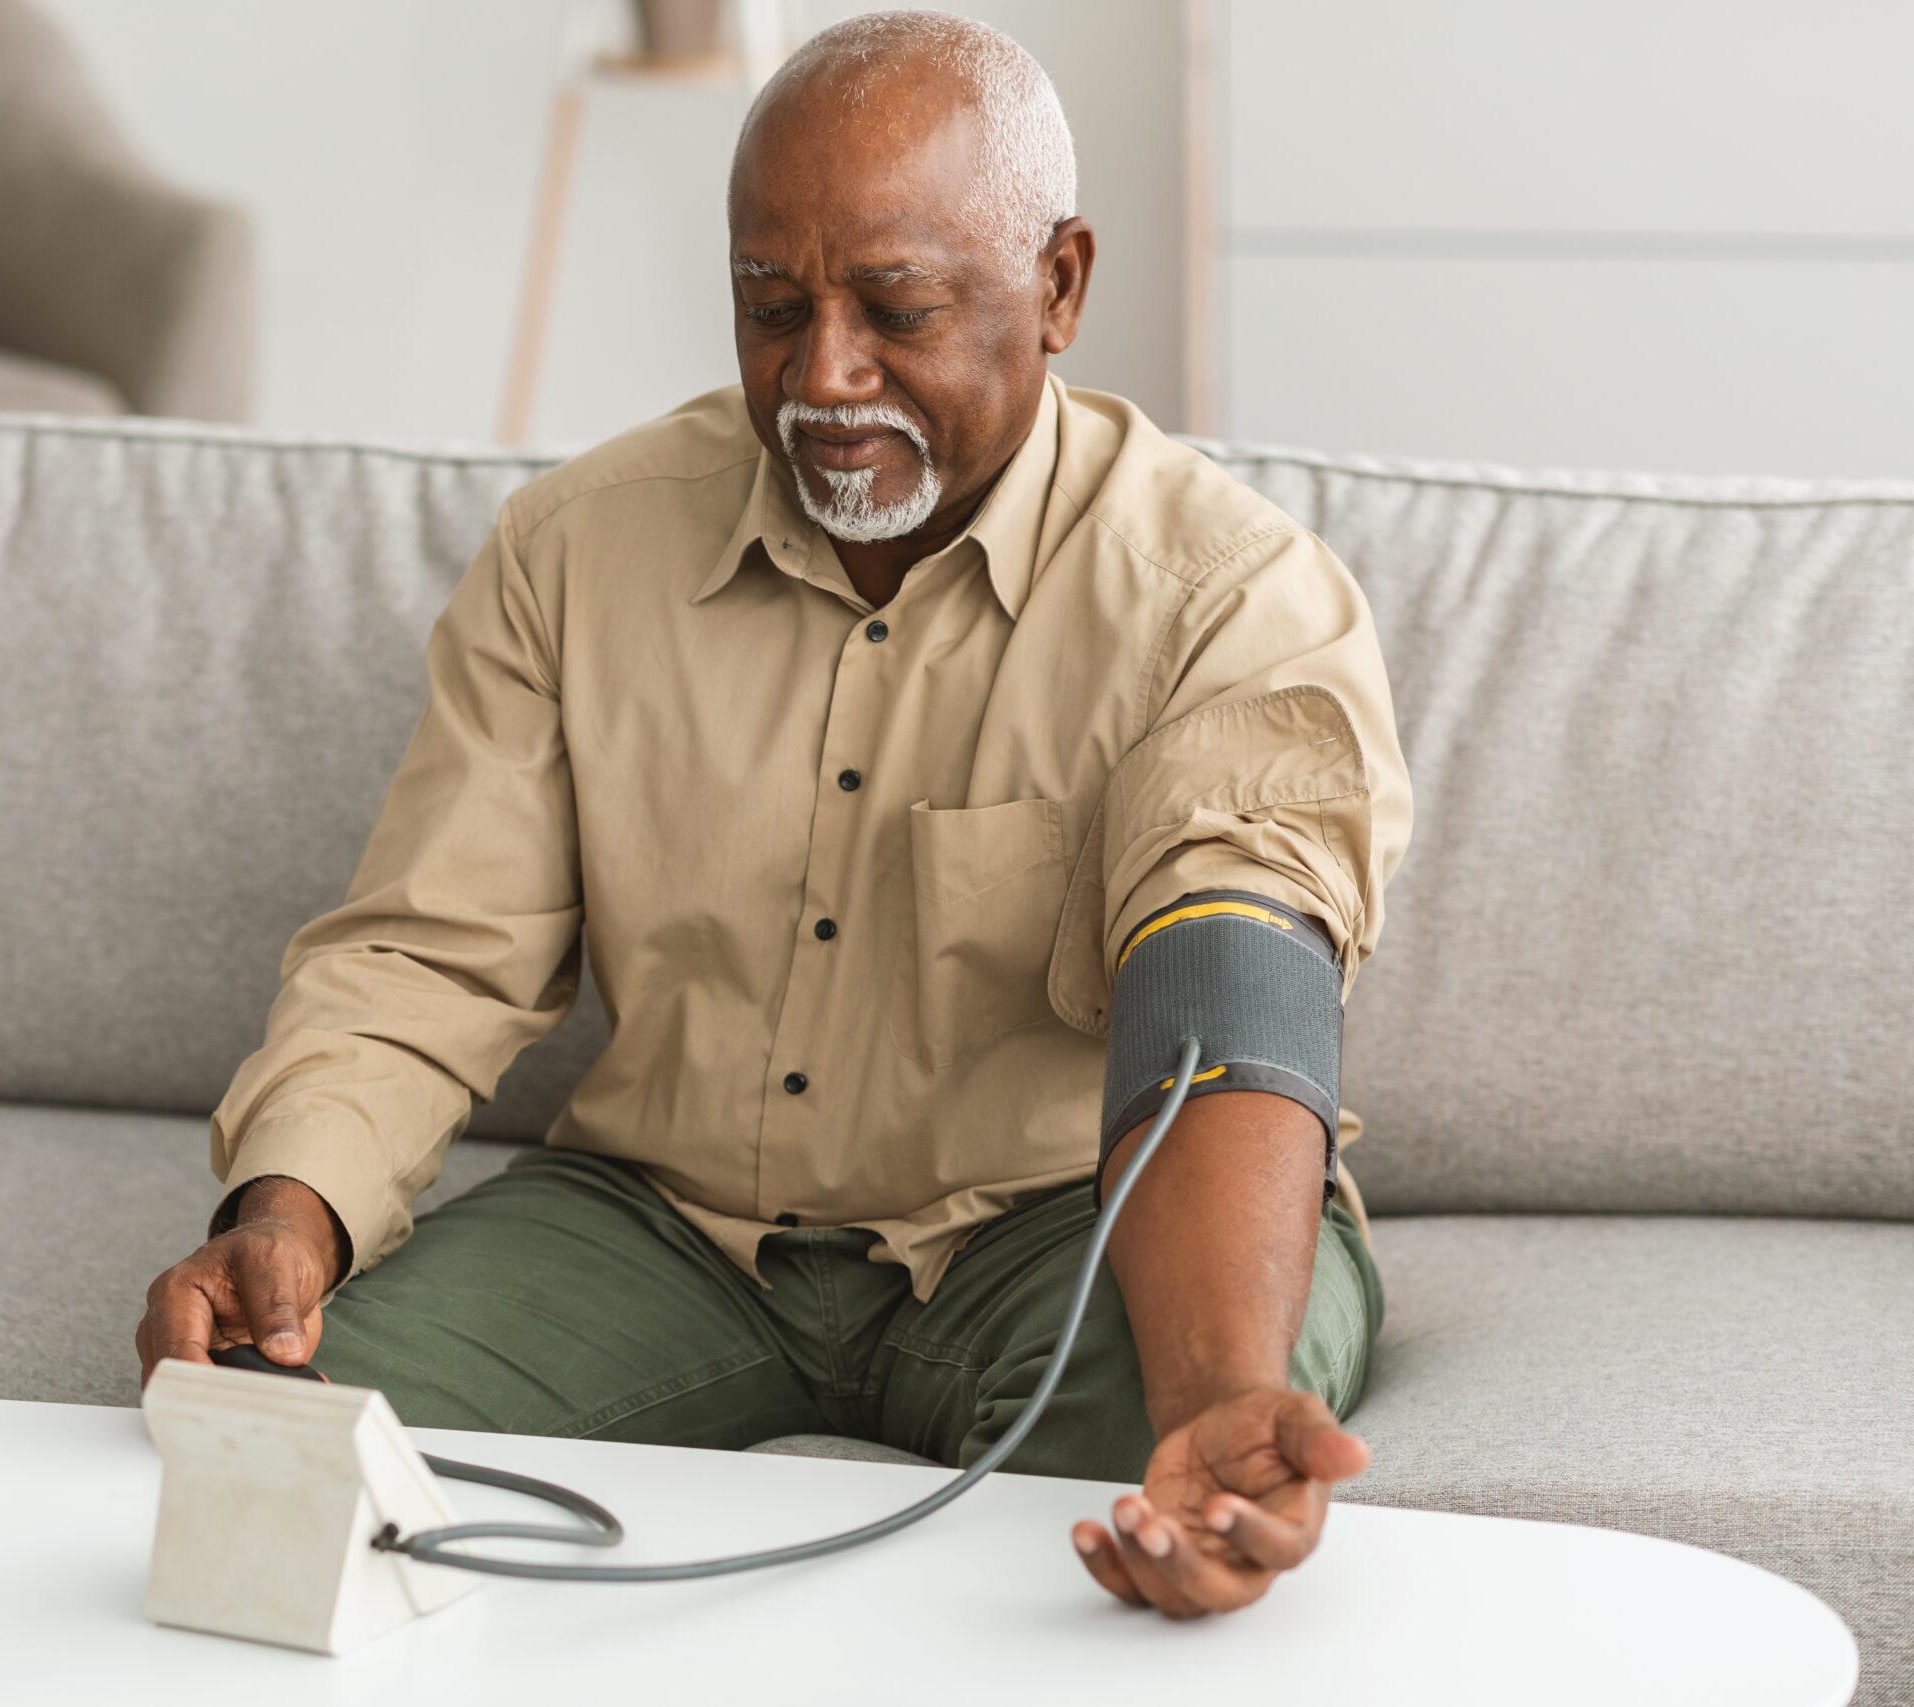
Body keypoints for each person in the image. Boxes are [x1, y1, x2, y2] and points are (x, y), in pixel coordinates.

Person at [138, 10, 1410, 1619]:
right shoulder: (574, 554)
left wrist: (1217, 1388)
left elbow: (1221, 1008)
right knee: (273, 1436)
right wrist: (290, 1211)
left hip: (1056, 1233)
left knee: (1191, 1443)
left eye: (897, 308)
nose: (822, 376)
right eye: (770, 307)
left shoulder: (1226, 596)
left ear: (1063, 285)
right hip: (671, 1235)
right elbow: (426, 956)